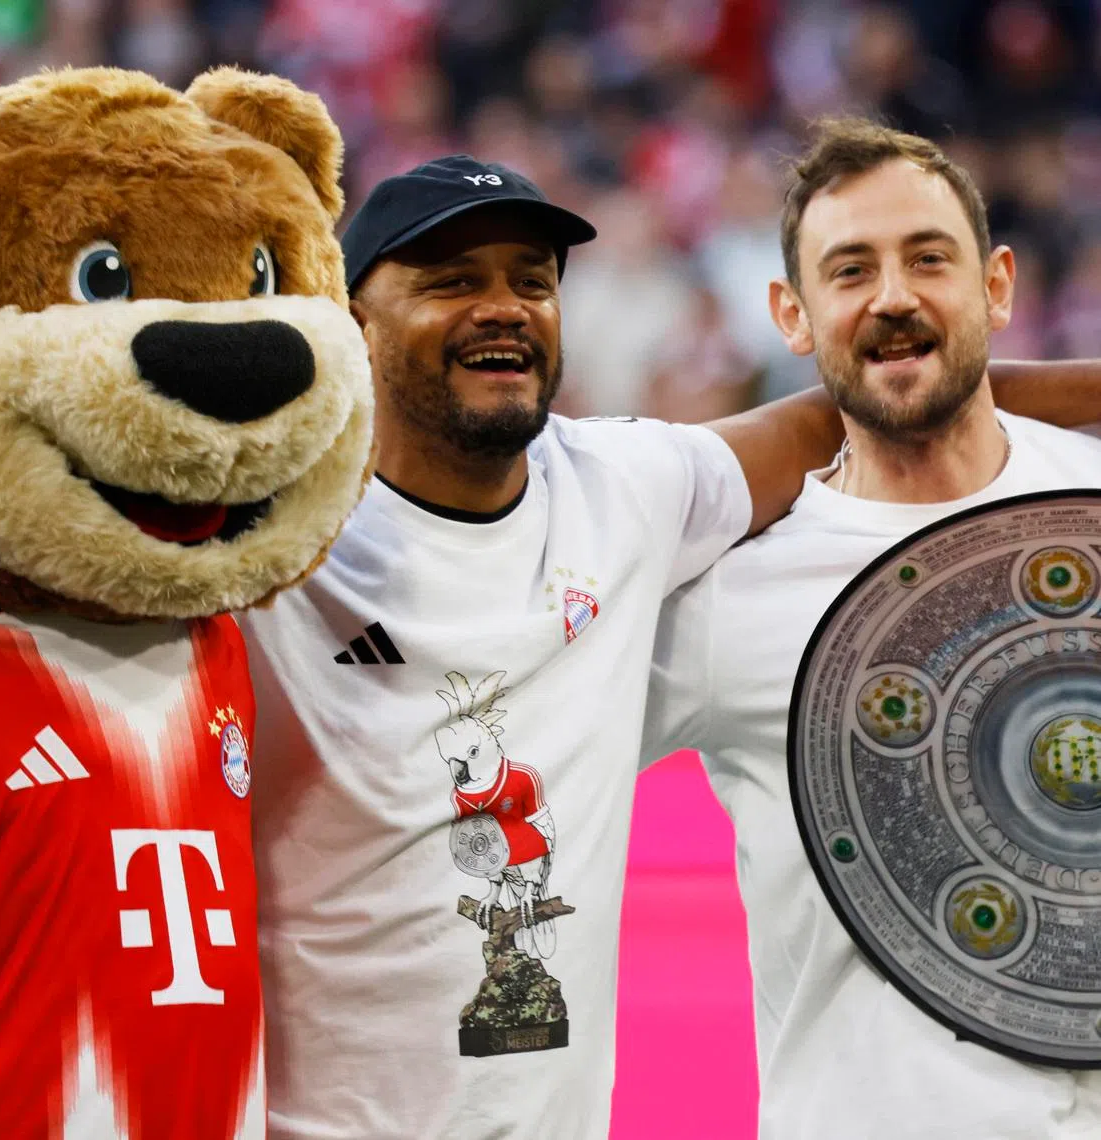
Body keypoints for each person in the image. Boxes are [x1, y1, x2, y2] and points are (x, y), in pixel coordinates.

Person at [241, 153, 1101, 1140]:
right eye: (451, 281)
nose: (503, 307)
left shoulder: (625, 487)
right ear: (350, 320)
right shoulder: (268, 546)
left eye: (531, 280)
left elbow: (855, 399)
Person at [644, 119, 1101, 1140]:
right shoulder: (728, 604)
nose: (893, 295)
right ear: (793, 317)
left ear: (998, 286)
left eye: (928, 258)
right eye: (850, 270)